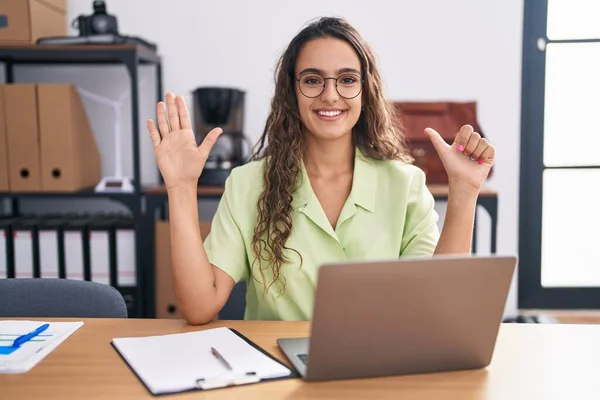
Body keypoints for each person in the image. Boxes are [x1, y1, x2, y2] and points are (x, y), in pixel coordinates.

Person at [147, 17, 495, 325]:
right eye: (313, 80)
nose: (330, 95)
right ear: (292, 91)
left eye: (346, 79)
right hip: (277, 373)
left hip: (379, 369)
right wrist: (180, 188)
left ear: (365, 90)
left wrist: (464, 190)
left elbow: (437, 304)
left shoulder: (404, 184)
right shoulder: (248, 184)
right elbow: (198, 307)